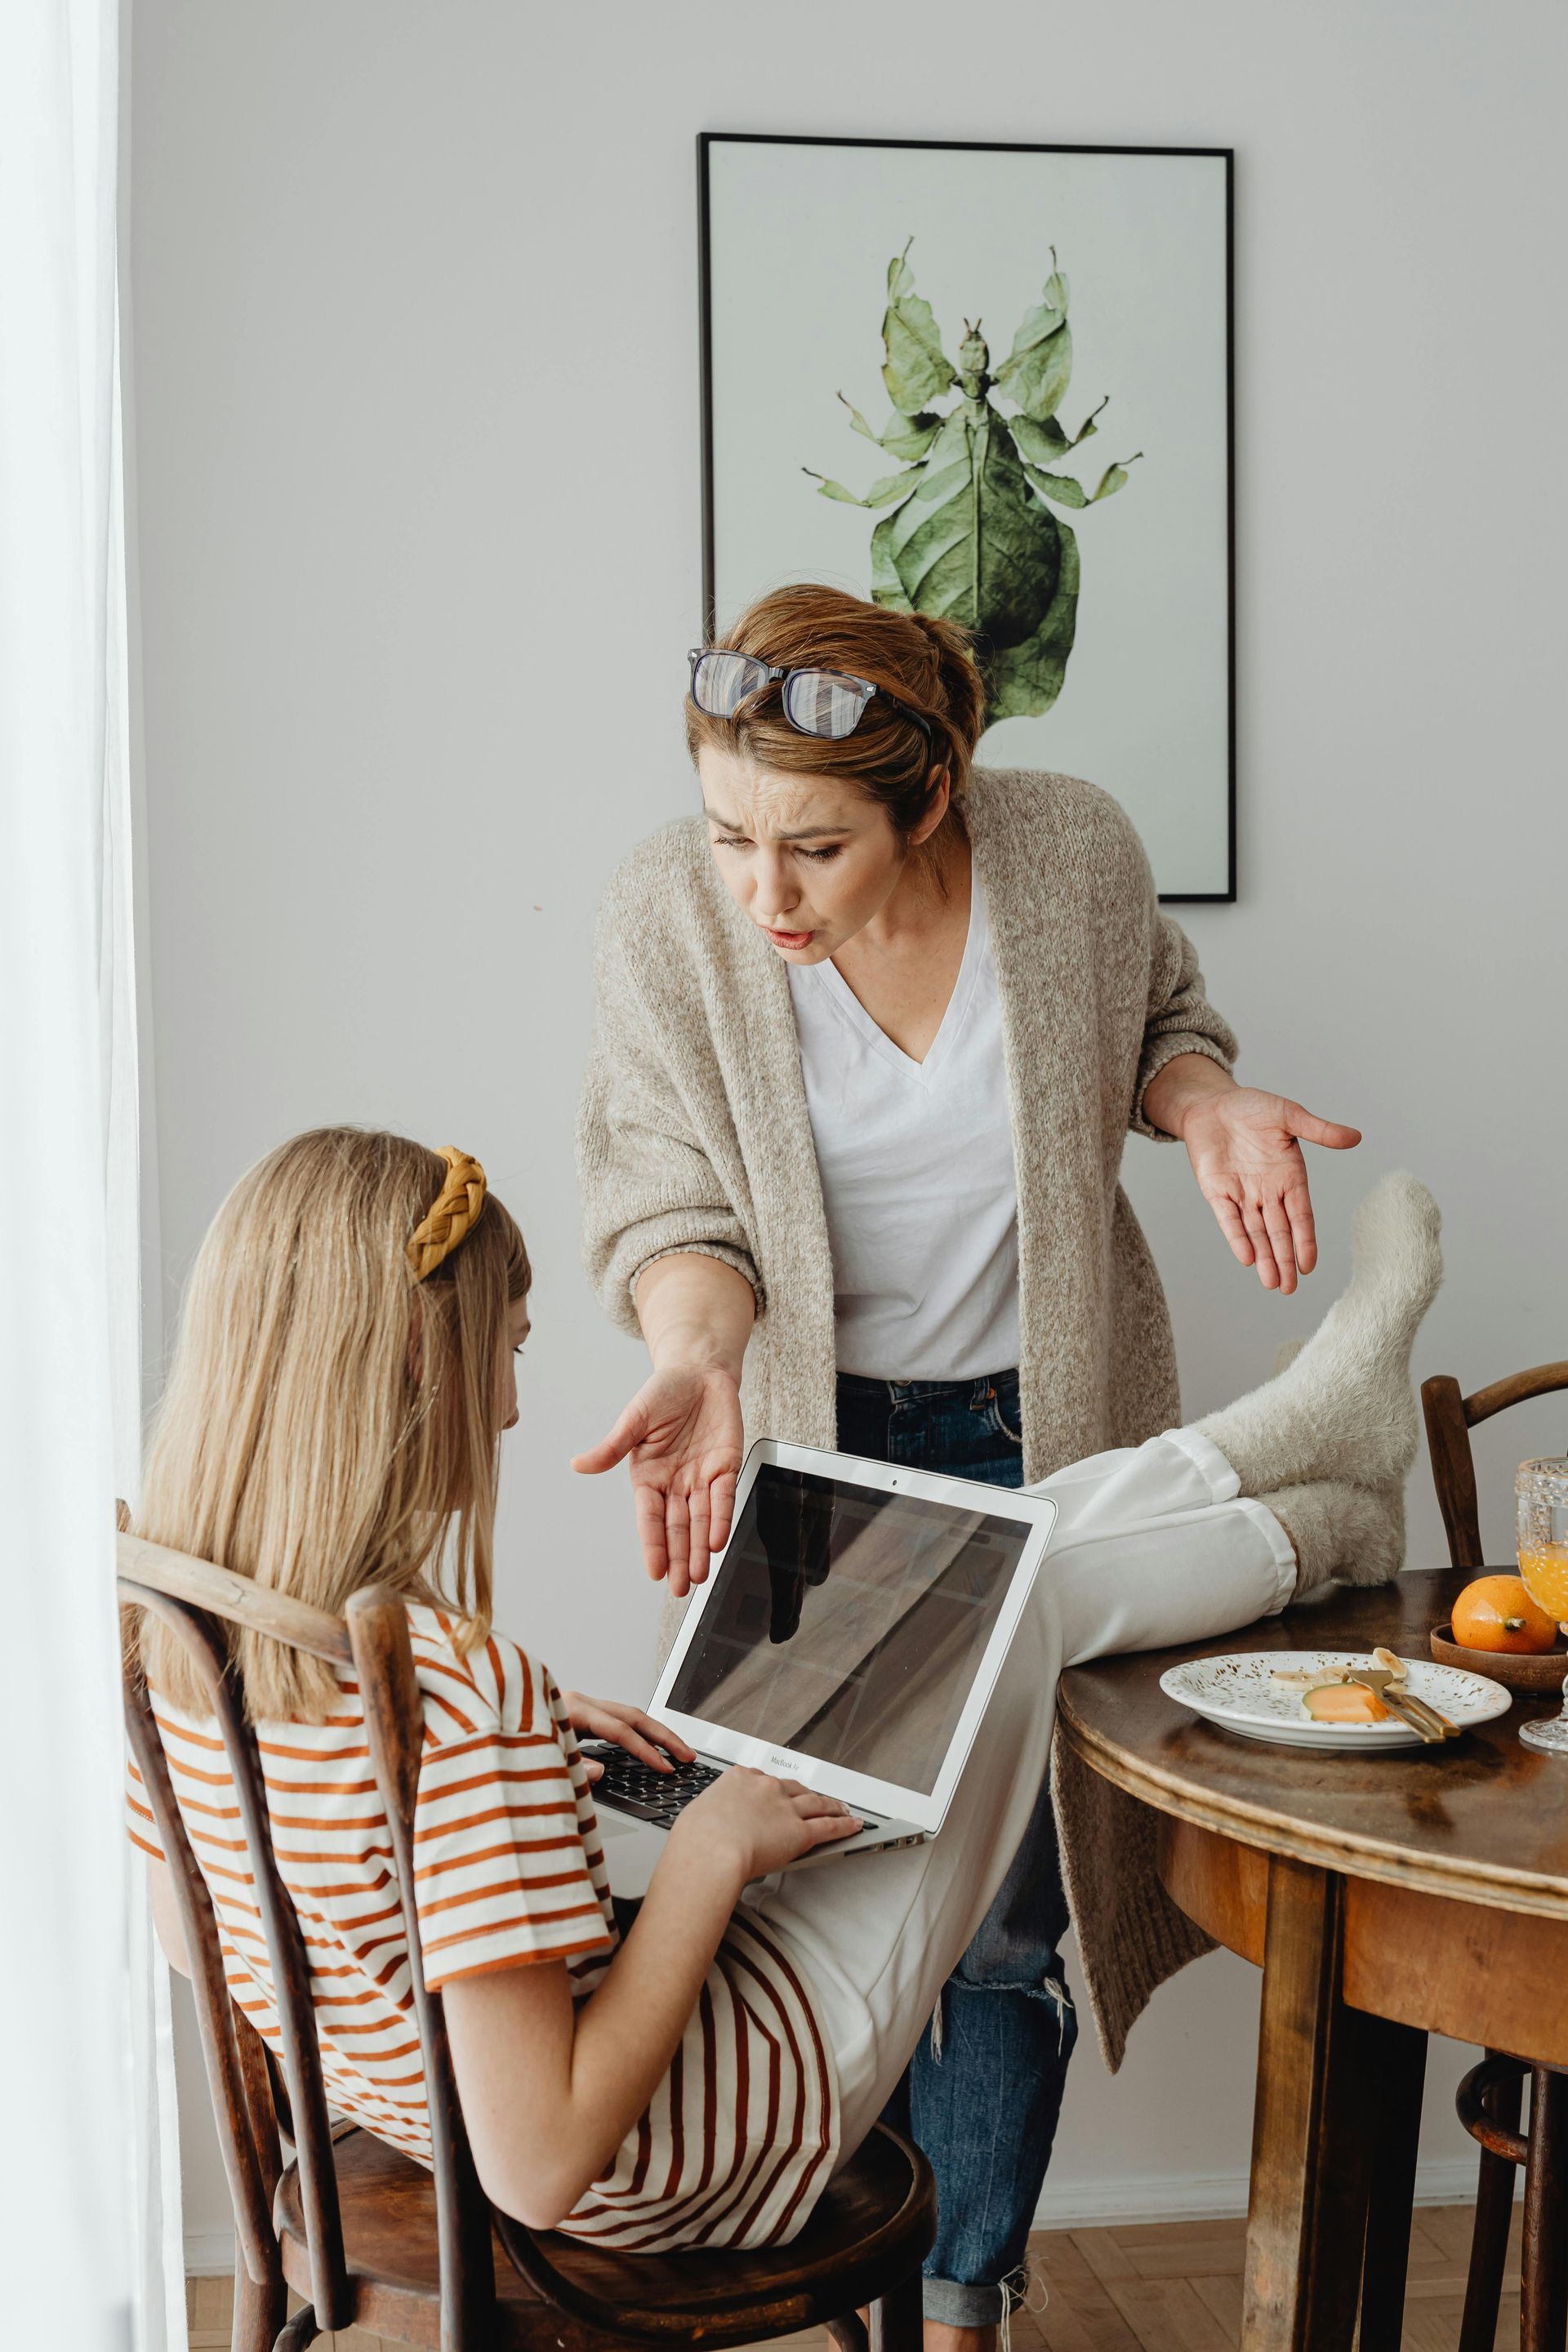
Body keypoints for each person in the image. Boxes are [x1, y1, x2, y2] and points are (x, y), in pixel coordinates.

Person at [128, 1129, 1436, 2287]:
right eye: (506, 1350)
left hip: (495, 2098)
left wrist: (507, 1780)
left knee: (949, 1566)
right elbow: (542, 2165)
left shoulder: (183, 1633)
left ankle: (1314, 1466)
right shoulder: (461, 1697)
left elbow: (208, 1948)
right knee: (1003, 1605)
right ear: (419, 1362)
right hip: (697, 2145)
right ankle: (1320, 1497)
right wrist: (705, 1850)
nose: (516, 1405)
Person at [572, 586, 1365, 2336]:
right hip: (811, 1449)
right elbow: (670, 1194)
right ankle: (831, 2280)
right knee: (807, 1890)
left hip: (1042, 1437)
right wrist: (698, 1354)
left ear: (932, 798)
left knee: (1006, 1925)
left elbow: (1157, 1024)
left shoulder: (1069, 854)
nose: (764, 893)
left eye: (815, 848)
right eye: (731, 836)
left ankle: (963, 2310)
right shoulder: (668, 915)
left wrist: (1205, 1104)